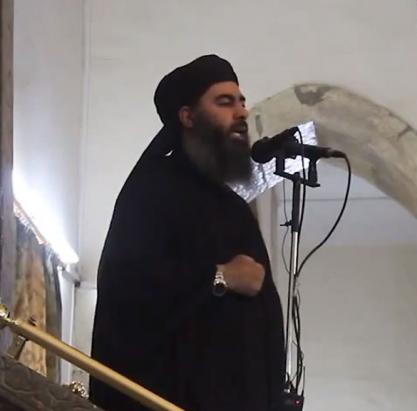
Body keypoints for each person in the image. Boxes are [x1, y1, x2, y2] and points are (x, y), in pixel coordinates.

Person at [89, 55, 285, 411]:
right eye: (225, 102)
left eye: (242, 101)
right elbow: (128, 287)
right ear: (188, 116)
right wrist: (221, 276)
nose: (241, 112)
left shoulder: (233, 207)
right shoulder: (152, 189)